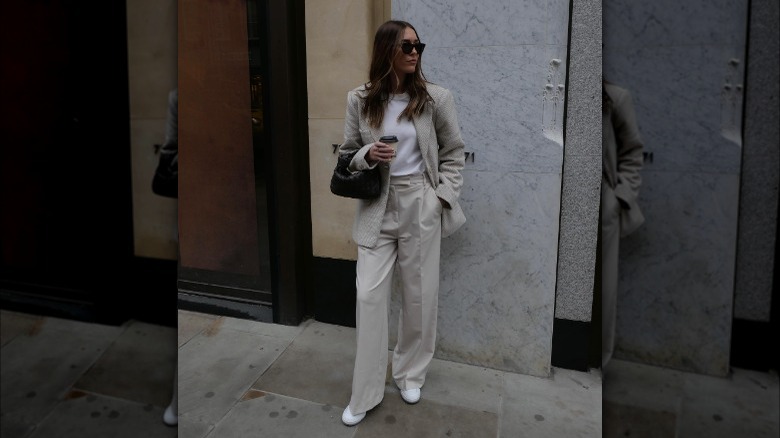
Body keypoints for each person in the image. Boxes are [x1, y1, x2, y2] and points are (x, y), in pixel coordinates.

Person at [338, 20, 467, 426]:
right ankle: (366, 391)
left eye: (418, 45)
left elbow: (454, 152)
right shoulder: (360, 99)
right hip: (378, 203)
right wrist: (368, 156)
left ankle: (410, 373)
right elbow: (346, 153)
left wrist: (440, 197)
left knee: (419, 296)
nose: (415, 52)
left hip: (419, 202)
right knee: (369, 297)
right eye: (407, 45)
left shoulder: (435, 98)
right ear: (386, 50)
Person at [601, 80, 645, 368]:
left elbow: (632, 151)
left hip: (604, 209)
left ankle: (601, 363)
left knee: (605, 292)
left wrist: (619, 197)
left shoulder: (616, 97)